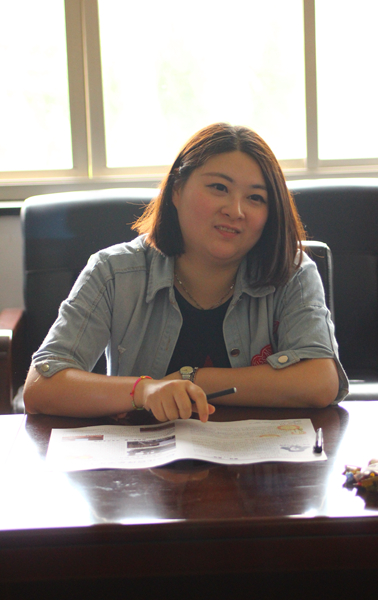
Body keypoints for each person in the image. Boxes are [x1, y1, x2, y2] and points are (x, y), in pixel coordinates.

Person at [23, 123, 348, 422]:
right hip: (142, 460)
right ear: (177, 190)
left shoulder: (292, 273)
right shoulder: (114, 272)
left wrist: (190, 379)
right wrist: (145, 390)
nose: (235, 211)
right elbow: (41, 386)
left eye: (255, 197)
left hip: (256, 459)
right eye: (219, 187)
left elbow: (320, 381)